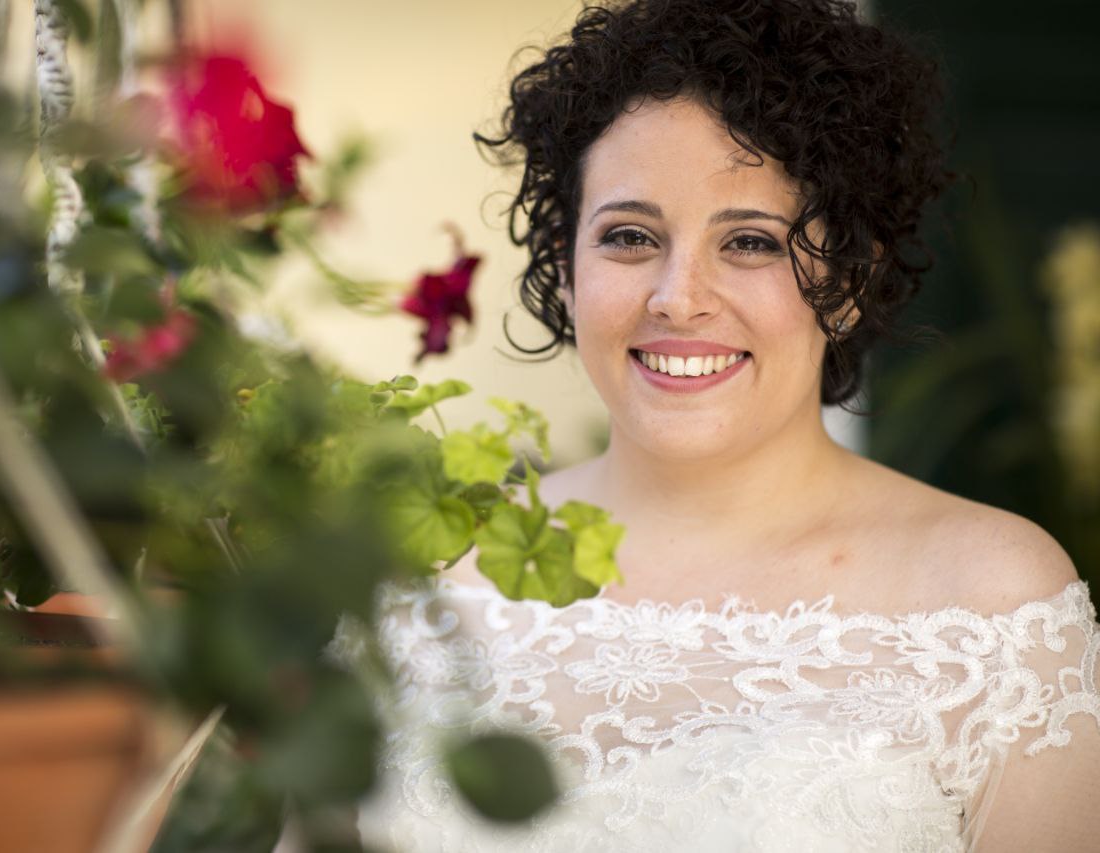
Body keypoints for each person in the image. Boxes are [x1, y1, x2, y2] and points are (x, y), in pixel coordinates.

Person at [354, 1, 1100, 850]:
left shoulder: (992, 605)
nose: (678, 297)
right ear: (565, 266)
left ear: (849, 281)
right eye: (629, 235)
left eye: (750, 242)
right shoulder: (417, 581)